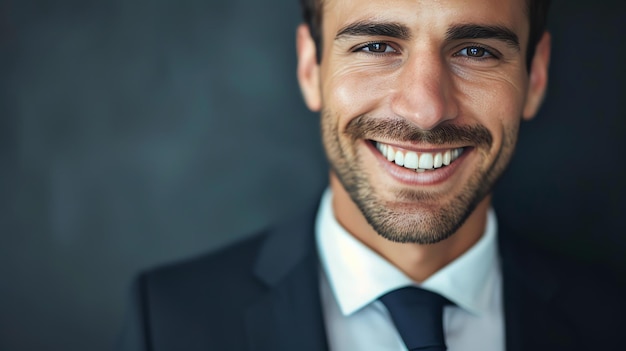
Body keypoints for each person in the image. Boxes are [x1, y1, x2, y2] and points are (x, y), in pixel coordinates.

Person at [118, 0, 624, 350]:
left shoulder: (611, 321)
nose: (425, 110)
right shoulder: (168, 322)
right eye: (376, 46)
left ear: (535, 76)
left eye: (475, 51)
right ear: (310, 67)